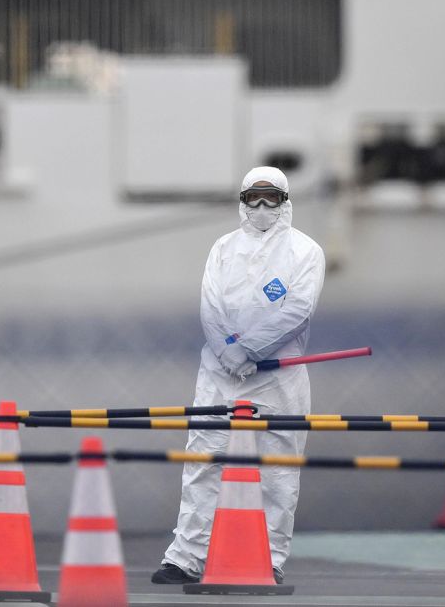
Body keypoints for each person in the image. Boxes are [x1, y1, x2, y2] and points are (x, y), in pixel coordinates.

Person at [152, 166, 326, 585]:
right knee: (203, 463)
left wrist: (250, 348)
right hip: (219, 374)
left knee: (277, 470)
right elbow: (210, 305)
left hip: (277, 380)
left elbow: (298, 309)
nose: (262, 207)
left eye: (271, 198)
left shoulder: (306, 251)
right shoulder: (223, 248)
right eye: (254, 198)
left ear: (285, 202)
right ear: (242, 200)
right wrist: (229, 350)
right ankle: (186, 557)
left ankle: (268, 559)